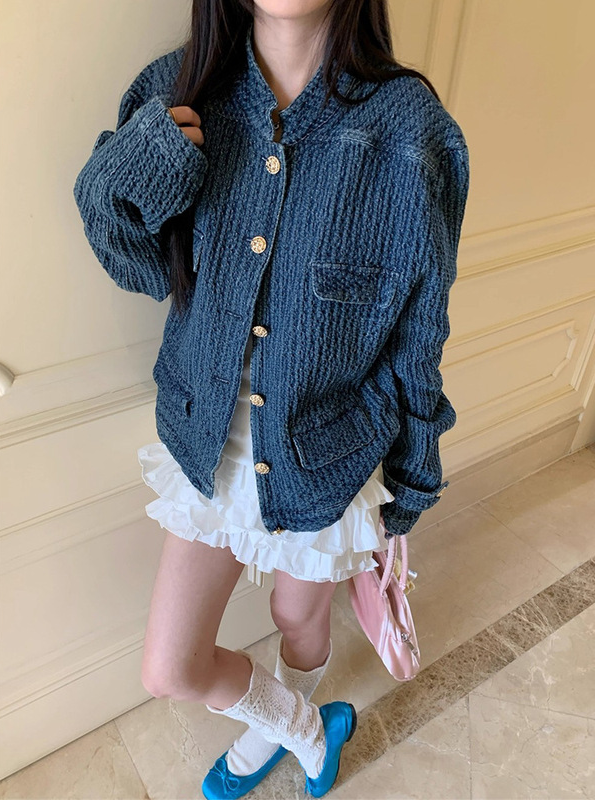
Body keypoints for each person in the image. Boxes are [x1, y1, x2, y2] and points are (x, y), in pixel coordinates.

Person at [73, 1, 470, 797]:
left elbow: (418, 330)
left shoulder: (411, 130)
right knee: (170, 667)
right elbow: (139, 267)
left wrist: (411, 479)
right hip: (207, 441)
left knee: (299, 616)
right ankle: (302, 728)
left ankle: (283, 721)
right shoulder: (177, 91)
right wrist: (134, 171)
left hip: (330, 452)